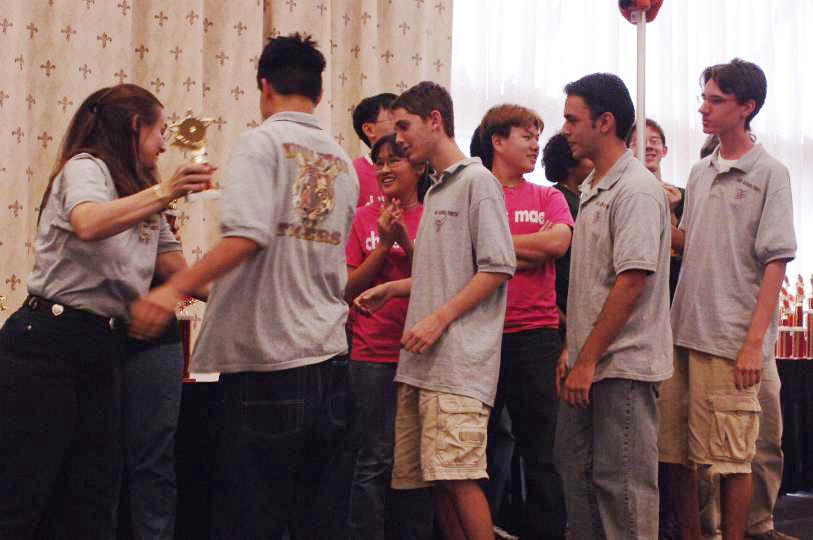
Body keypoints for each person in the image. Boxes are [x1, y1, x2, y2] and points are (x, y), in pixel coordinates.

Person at [130, 33, 358, 539]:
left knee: (248, 520)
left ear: (265, 86)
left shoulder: (261, 144)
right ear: (319, 93)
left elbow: (248, 236)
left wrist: (170, 290)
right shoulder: (342, 162)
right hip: (329, 360)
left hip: (268, 366)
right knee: (317, 522)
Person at [0, 84, 212, 539]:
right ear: (136, 127)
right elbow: (88, 222)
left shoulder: (145, 195)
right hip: (47, 345)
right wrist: (167, 189)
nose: (165, 145)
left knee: (93, 495)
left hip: (101, 347)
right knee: (25, 491)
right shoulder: (86, 167)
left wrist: (251, 295)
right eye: (161, 132)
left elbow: (180, 272)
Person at [354, 81, 516, 540]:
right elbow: (445, 273)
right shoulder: (437, 191)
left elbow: (497, 267)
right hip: (422, 366)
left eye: (405, 127)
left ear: (435, 121)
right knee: (436, 481)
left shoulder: (477, 182)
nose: (398, 138)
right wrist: (394, 289)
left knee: (459, 476)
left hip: (458, 366)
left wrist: (438, 318)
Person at [661, 59, 797, 540]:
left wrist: (752, 344)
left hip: (730, 336)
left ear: (746, 107)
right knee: (677, 453)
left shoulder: (770, 173)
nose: (704, 108)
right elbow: (690, 242)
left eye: (716, 100)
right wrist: (649, 209)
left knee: (733, 456)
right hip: (683, 331)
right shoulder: (699, 173)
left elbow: (776, 262)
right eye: (704, 99)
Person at [554, 73, 673, 540]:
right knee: (575, 472)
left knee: (622, 488)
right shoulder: (593, 186)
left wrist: (586, 360)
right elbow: (591, 285)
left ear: (604, 122)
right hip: (590, 362)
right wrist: (573, 350)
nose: (565, 129)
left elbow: (631, 282)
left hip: (622, 366)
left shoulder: (636, 189)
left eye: (573, 119)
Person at [473, 105, 573, 540]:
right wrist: (528, 248)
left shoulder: (548, 197)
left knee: (542, 453)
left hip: (536, 338)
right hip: (481, 336)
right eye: (526, 136)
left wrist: (493, 246)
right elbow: (464, 250)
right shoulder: (476, 193)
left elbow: (557, 244)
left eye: (537, 136)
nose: (536, 145)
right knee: (477, 450)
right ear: (497, 141)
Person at [344, 133, 433, 540]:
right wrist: (382, 247)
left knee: (417, 462)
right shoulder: (362, 218)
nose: (383, 169)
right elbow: (348, 288)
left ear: (419, 166)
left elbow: (438, 281)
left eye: (394, 160)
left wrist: (405, 242)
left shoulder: (433, 215)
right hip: (371, 354)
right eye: (378, 162)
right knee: (373, 459)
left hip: (422, 352)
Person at [626, 119, 685, 299]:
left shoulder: (682, 196)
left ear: (664, 150)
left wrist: (670, 211)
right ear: (628, 151)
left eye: (654, 141)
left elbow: (690, 247)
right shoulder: (625, 196)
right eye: (639, 142)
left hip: (675, 290)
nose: (648, 146)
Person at [541, 132, 593, 317]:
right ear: (569, 165)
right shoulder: (559, 200)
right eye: (588, 157)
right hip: (563, 305)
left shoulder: (579, 200)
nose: (594, 163)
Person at [352, 93, 398, 207]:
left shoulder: (416, 167)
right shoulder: (352, 173)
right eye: (393, 118)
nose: (401, 125)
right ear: (369, 130)